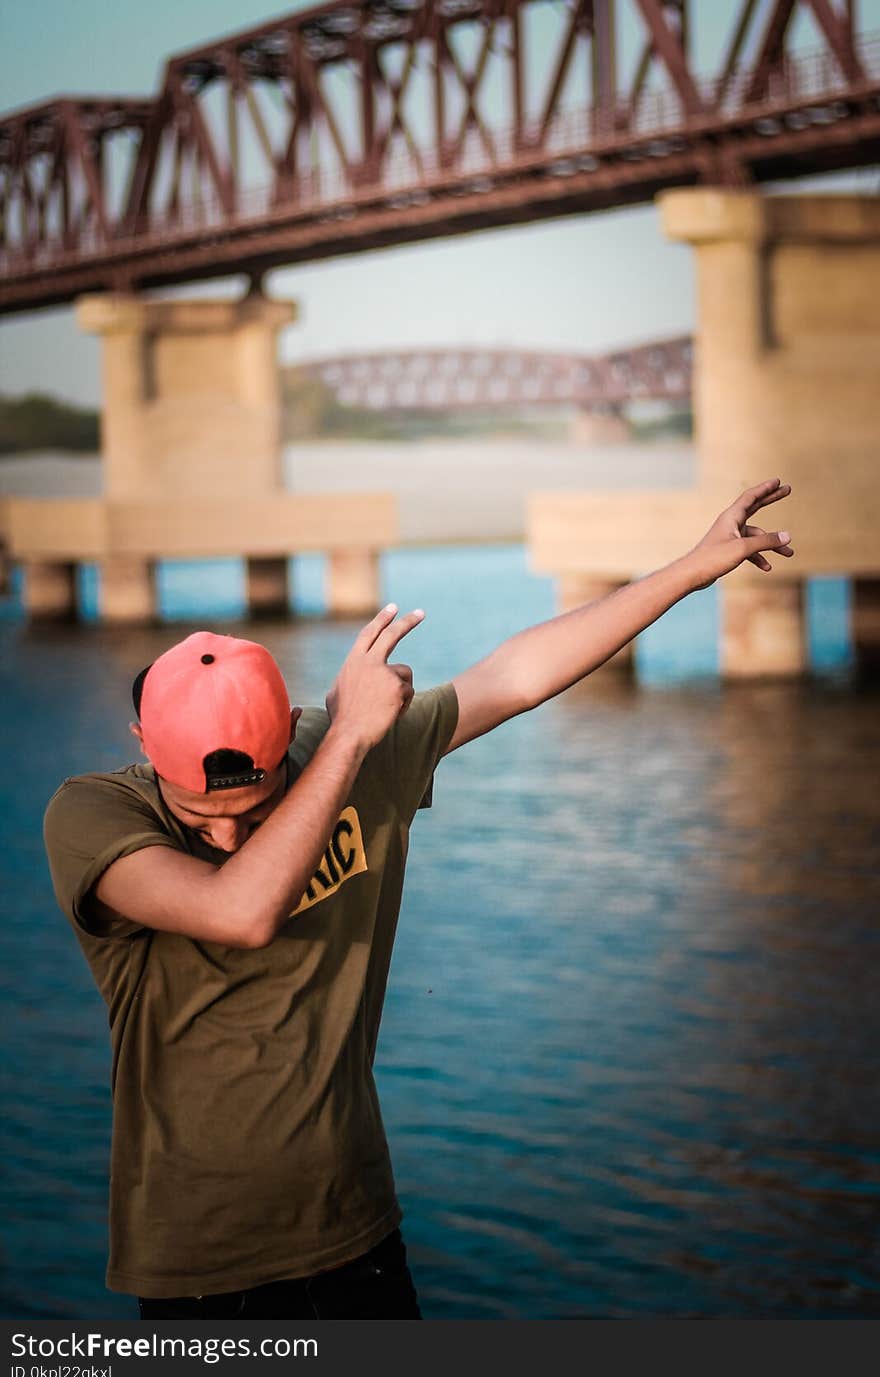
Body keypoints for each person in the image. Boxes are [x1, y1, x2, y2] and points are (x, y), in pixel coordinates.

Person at [43, 479, 793, 1320]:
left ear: (288, 736)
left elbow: (513, 675)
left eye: (248, 811)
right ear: (144, 746)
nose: (222, 838)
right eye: (198, 814)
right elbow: (238, 913)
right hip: (200, 1257)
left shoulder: (348, 752)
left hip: (354, 1229)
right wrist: (354, 740)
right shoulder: (93, 811)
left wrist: (689, 571)